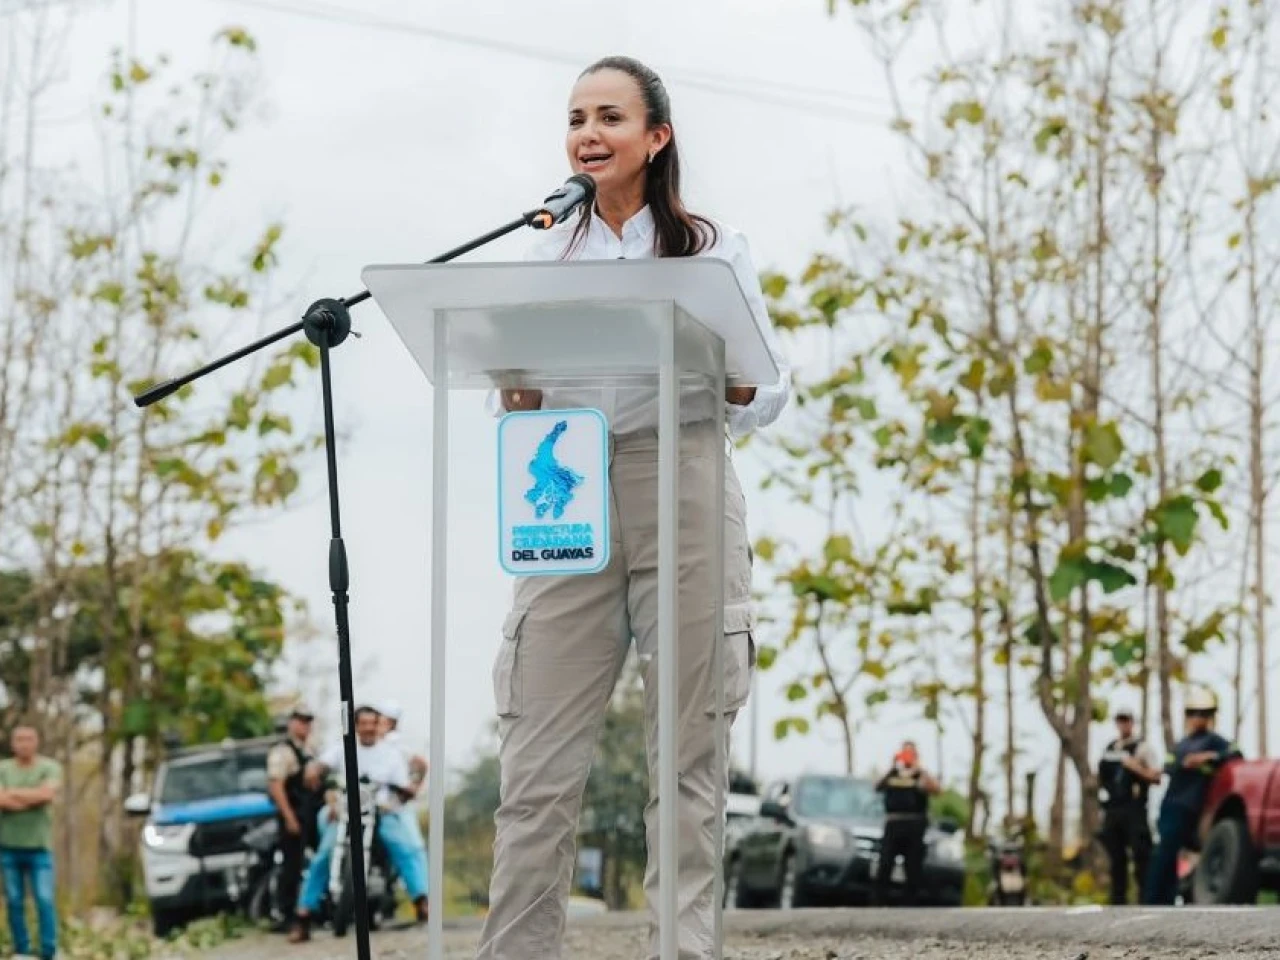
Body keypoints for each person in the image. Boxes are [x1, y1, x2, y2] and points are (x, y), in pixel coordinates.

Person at [478, 55, 790, 960]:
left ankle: (680, 950)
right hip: (565, 478)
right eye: (577, 118)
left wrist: (733, 375)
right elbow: (508, 388)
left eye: (610, 117)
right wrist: (515, 392)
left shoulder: (711, 249)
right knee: (535, 766)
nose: (589, 133)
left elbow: (769, 390)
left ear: (656, 137)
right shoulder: (540, 252)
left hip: (681, 472)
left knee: (686, 755)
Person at [287, 706, 429, 943]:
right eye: (363, 723)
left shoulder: (390, 753)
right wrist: (314, 770)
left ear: (378, 725)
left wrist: (407, 791)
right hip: (345, 812)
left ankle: (421, 900)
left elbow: (404, 785)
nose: (368, 728)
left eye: (372, 723)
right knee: (324, 854)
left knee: (405, 848)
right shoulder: (343, 747)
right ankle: (304, 915)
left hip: (380, 812)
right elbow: (321, 765)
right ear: (355, 726)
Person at [1143, 688, 1242, 905]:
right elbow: (1169, 766)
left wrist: (1207, 757)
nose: (1198, 718)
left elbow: (1236, 753)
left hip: (1191, 806)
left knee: (1169, 853)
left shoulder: (1215, 741)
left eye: (1204, 713)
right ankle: (1161, 900)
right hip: (1171, 803)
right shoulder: (1181, 744)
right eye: (1194, 713)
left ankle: (1156, 899)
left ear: (1211, 716)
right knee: (1165, 854)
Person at [0, 726, 63, 960]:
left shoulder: (50, 767)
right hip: (8, 846)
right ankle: (22, 950)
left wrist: (13, 794)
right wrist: (32, 797)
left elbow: (47, 795)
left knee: (44, 899)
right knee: (14, 901)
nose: (24, 744)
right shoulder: (3, 769)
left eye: (28, 739)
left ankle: (48, 950)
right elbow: (1, 800)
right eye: (19, 739)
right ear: (12, 743)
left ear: (36, 742)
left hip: (40, 848)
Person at [1096, 707, 1160, 905]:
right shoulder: (1110, 748)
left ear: (1132, 722)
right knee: (1116, 858)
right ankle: (1118, 901)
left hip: (1135, 809)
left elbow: (1156, 777)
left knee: (1141, 855)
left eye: (1127, 720)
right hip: (1113, 809)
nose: (1123, 724)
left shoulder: (1142, 748)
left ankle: (1145, 899)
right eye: (1120, 720)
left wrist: (1135, 767)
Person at [265, 703, 319, 929]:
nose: (304, 726)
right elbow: (276, 786)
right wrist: (289, 817)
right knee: (292, 866)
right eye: (300, 721)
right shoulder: (282, 752)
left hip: (311, 813)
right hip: (293, 813)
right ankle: (286, 914)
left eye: (308, 721)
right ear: (291, 723)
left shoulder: (309, 750)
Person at [873, 741, 940, 907]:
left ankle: (909, 904)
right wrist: (892, 766)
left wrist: (920, 769)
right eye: (905, 753)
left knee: (913, 866)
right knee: (885, 862)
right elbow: (877, 787)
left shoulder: (920, 775)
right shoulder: (893, 774)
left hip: (914, 824)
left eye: (911, 754)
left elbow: (936, 790)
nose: (908, 757)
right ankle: (879, 902)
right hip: (893, 824)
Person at [375, 700, 429, 900]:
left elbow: (421, 764)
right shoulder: (364, 742)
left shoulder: (395, 743)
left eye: (385, 721)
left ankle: (422, 898)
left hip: (393, 807)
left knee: (411, 849)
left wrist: (412, 789)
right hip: (367, 805)